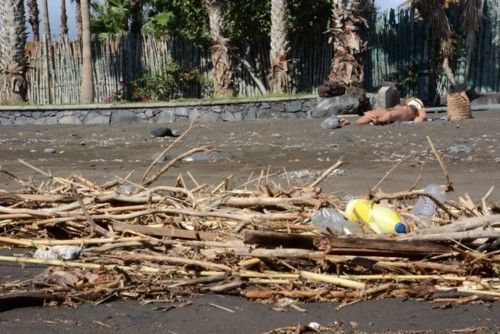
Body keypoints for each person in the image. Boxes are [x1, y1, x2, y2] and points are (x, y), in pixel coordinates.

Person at [340, 98, 427, 126]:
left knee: (359, 121)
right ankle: (349, 122)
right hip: (379, 115)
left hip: (378, 112)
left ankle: (349, 122)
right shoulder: (405, 113)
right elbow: (389, 115)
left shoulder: (400, 107)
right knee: (357, 123)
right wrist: (379, 121)